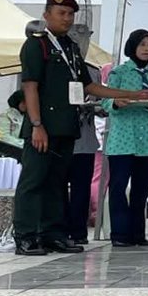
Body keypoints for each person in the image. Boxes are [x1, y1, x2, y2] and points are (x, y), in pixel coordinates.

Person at [14, 0, 148, 256]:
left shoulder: (69, 47)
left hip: (66, 127)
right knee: (34, 181)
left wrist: (132, 94)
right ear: (46, 16)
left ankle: (53, 233)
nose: (67, 19)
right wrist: (36, 124)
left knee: (57, 182)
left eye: (70, 14)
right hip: (43, 127)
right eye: (61, 14)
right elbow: (30, 86)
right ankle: (26, 235)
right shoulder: (37, 45)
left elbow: (89, 86)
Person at [104, 29, 148, 247]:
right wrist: (116, 102)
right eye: (143, 44)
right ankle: (119, 234)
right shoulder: (119, 73)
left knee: (142, 189)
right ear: (133, 46)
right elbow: (105, 102)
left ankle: (137, 233)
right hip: (123, 140)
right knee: (118, 187)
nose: (147, 49)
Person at [66, 99, 100, 244]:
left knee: (82, 189)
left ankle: (78, 232)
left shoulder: (93, 75)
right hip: (64, 140)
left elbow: (101, 104)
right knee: (59, 188)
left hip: (86, 143)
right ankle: (59, 230)